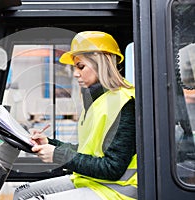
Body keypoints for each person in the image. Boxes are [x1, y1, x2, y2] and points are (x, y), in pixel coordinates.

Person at [13, 31, 137, 200]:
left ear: (101, 64)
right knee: (21, 193)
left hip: (118, 189)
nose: (76, 74)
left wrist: (57, 155)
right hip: (92, 181)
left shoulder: (124, 103)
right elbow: (88, 150)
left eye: (81, 67)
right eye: (74, 68)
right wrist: (50, 143)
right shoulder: (97, 101)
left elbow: (113, 168)